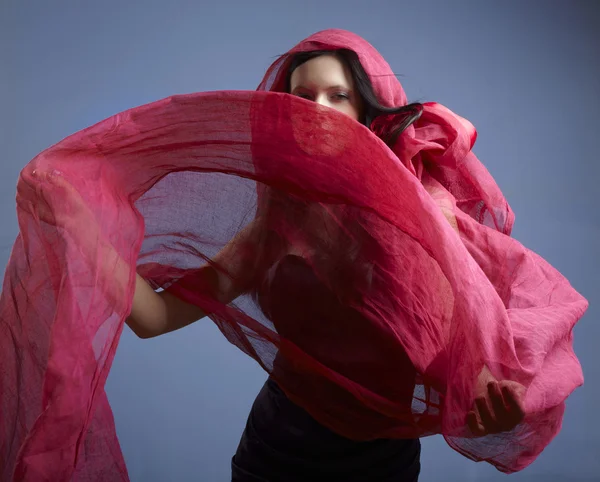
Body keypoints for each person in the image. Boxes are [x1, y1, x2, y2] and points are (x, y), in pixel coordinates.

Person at [0, 29, 587, 482]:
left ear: (367, 113)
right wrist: (78, 220)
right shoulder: (273, 228)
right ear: (284, 116)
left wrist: (496, 391)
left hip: (379, 465)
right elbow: (152, 320)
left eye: (340, 96)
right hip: (274, 452)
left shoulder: (424, 211)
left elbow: (479, 314)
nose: (320, 110)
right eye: (303, 97)